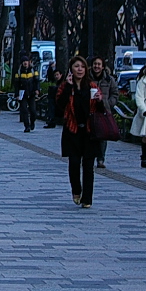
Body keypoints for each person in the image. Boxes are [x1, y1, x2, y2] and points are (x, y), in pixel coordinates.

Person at [55, 55, 102, 208]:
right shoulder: (65, 86)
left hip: (89, 131)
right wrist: (68, 87)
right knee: (74, 163)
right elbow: (59, 107)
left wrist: (100, 100)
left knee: (88, 166)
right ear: (71, 69)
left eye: (82, 67)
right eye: (76, 67)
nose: (80, 69)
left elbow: (100, 110)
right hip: (72, 130)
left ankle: (87, 198)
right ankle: (76, 190)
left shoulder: (92, 85)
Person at [89, 57, 117, 167]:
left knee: (103, 135)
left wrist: (108, 103)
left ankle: (101, 159)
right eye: (95, 64)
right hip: (90, 110)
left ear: (103, 66)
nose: (97, 66)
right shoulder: (87, 78)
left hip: (104, 110)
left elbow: (115, 93)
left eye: (99, 64)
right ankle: (90, 156)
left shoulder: (109, 80)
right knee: (90, 135)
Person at [14, 56, 40, 131]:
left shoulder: (33, 70)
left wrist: (37, 90)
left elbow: (36, 81)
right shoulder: (19, 72)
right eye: (24, 61)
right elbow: (16, 84)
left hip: (31, 93)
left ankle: (32, 122)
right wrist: (17, 94)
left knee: (33, 111)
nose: (25, 63)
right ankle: (27, 126)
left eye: (26, 61)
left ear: (29, 62)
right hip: (23, 94)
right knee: (24, 110)